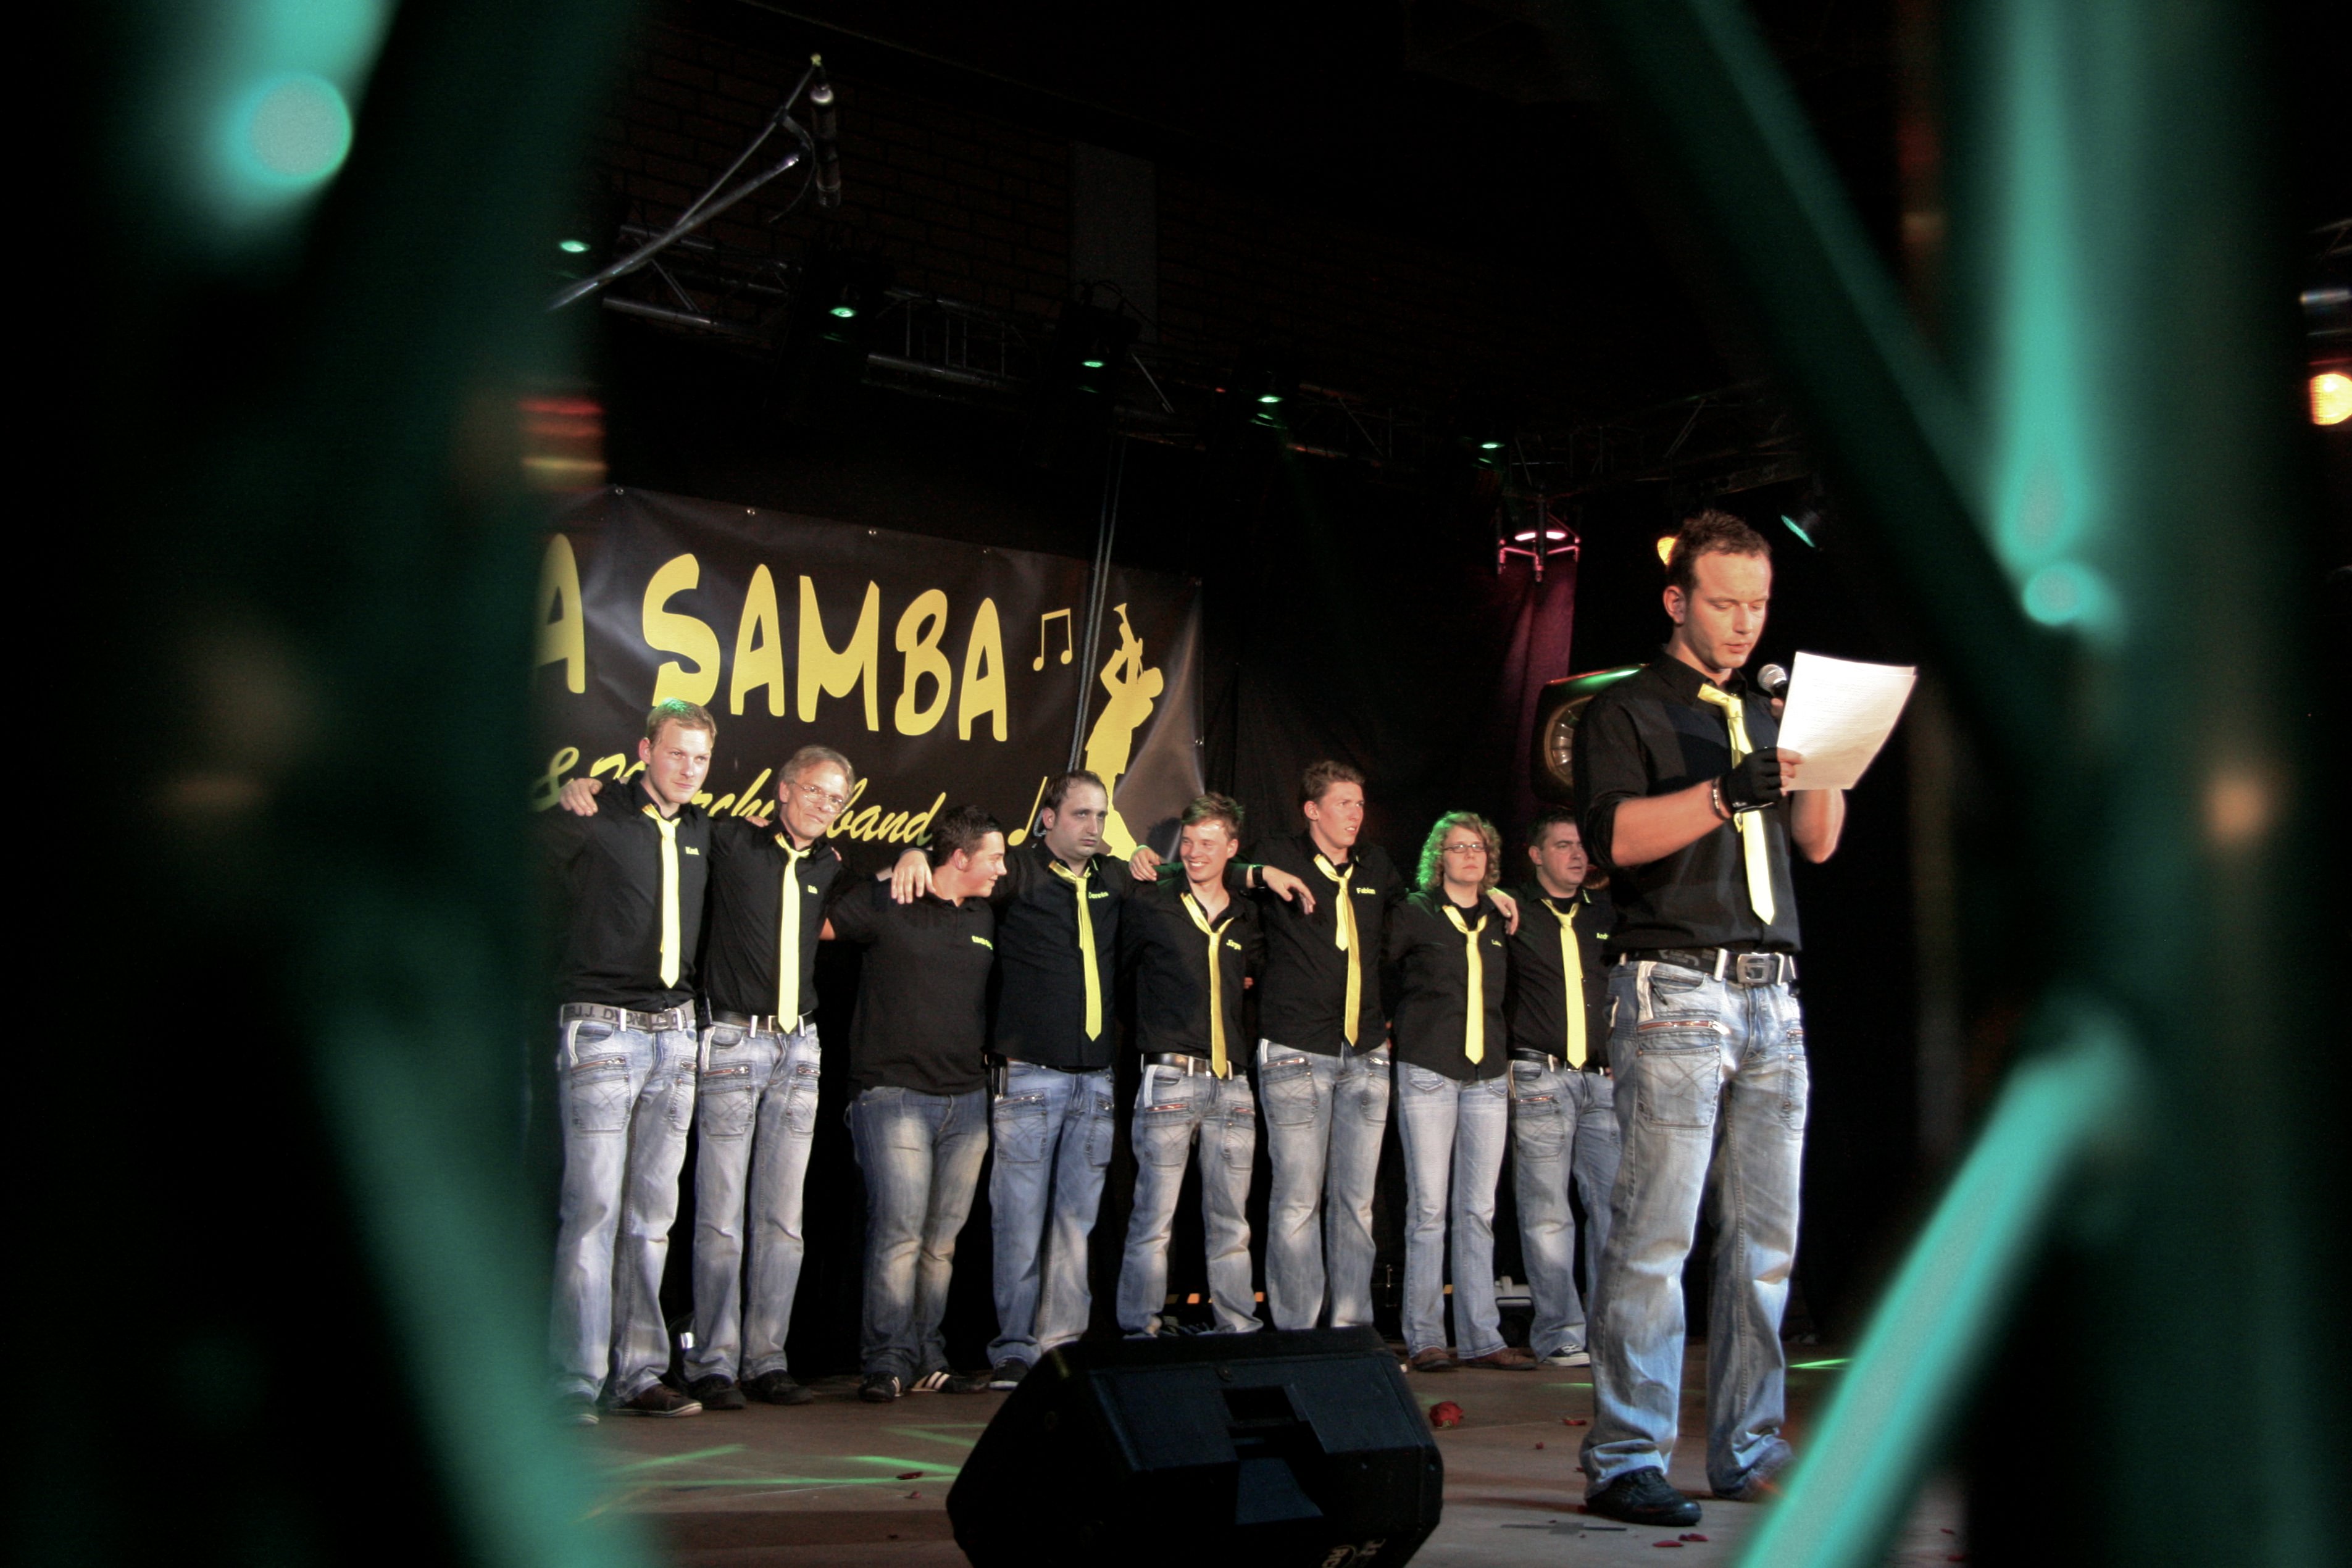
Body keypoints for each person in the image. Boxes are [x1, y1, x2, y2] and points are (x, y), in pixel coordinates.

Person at [1573, 509, 1845, 1528]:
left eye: (1758, 605)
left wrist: (1831, 750)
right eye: (1724, 603)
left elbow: (1817, 841)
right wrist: (1724, 795)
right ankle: (1625, 1456)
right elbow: (1613, 840)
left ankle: (1749, 1446)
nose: (1743, 623)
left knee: (1765, 1242)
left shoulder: (1766, 718)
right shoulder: (1625, 710)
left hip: (1775, 994)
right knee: (1656, 1233)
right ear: (1676, 601)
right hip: (1677, 988)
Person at [891, 774, 1307, 1388]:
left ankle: (1060, 1347)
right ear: (1049, 818)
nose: (1094, 826)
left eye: (1101, 815)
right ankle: (1014, 1348)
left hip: (1095, 1082)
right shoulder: (1018, 870)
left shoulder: (1117, 879)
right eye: (1081, 814)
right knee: (1019, 1221)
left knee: (1075, 1224)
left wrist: (1257, 873)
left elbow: (1196, 873)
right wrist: (911, 855)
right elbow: (957, 871)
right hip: (1029, 1074)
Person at [557, 744, 857, 1409]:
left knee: (784, 1220)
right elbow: (657, 813)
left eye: (836, 798)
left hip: (800, 1048)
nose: (824, 806)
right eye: (814, 790)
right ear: (784, 789)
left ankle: (767, 1358)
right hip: (728, 1040)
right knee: (716, 1217)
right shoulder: (728, 840)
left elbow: (880, 900)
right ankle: (713, 1362)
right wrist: (590, 787)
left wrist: (917, 856)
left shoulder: (831, 863)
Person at [541, 699, 718, 1423]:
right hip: (601, 1029)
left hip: (676, 1034)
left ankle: (640, 1369)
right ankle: (575, 1378)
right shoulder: (596, 812)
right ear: (645, 750)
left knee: (652, 1214)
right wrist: (569, 794)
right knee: (593, 1209)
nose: (688, 768)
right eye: (677, 752)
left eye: (700, 758)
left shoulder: (703, 828)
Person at [830, 804, 1009, 1402]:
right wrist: (900, 859)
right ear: (959, 857)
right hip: (894, 1095)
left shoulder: (984, 912)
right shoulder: (893, 899)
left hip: (967, 1101)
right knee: (899, 1233)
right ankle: (885, 1359)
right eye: (994, 858)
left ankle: (928, 1354)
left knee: (941, 1243)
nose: (1002, 869)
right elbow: (820, 923)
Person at [1247, 761, 1406, 1333]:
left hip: (1364, 1051)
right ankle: (1297, 1333)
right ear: (1312, 810)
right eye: (1344, 804)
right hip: (1298, 1049)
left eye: (1360, 804)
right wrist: (1258, 873)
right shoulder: (1278, 854)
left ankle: (1351, 1329)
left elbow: (1411, 922)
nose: (1355, 815)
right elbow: (1215, 870)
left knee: (1357, 1202)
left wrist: (1492, 899)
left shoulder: (1376, 865)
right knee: (1297, 1199)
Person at [1385, 812, 1537, 1373]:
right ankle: (1425, 1336)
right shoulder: (1416, 912)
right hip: (1429, 1067)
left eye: (1478, 847)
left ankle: (1481, 1337)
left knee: (1479, 1210)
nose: (1470, 856)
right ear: (1439, 857)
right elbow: (1377, 967)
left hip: (1488, 1075)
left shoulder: (1500, 915)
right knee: (1428, 1209)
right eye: (1458, 847)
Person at [1114, 794, 1265, 1338]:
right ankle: (1141, 1329)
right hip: (1170, 1075)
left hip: (1233, 1083)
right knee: (1154, 1218)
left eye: (1209, 843)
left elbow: (1253, 980)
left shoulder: (1245, 917)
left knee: (1231, 1222)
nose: (1196, 853)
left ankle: (1237, 1327)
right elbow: (1122, 975)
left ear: (1232, 848)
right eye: (1189, 842)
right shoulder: (1153, 902)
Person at [1504, 811, 1619, 1369]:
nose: (1577, 855)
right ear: (1536, 855)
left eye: (1581, 846)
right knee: (1548, 1211)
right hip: (1541, 1075)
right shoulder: (1513, 909)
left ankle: (1609, 1331)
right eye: (1563, 845)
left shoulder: (1604, 913)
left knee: (1613, 1209)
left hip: (1602, 1080)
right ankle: (1560, 1333)